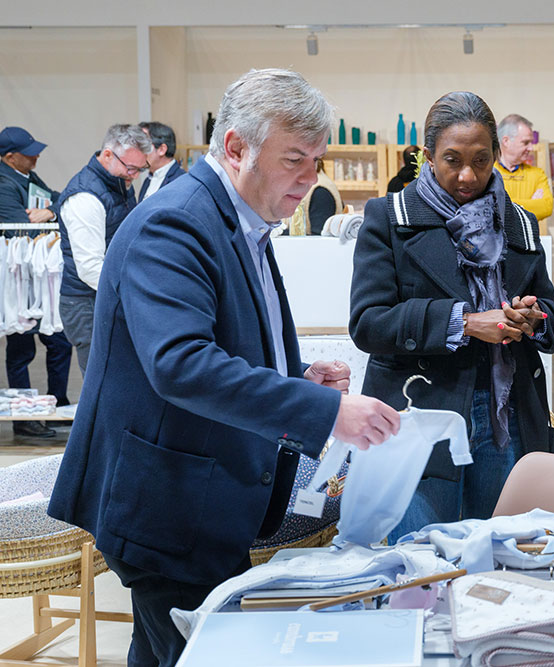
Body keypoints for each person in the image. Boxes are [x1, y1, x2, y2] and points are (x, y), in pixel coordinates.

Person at [48, 68, 400, 666]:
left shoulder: (240, 219)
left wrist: (296, 379)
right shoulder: (177, 221)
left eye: (317, 159)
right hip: (168, 502)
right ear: (236, 147)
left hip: (201, 498)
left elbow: (226, 341)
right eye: (296, 159)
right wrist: (326, 411)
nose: (311, 178)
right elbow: (182, 364)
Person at [350, 91, 554, 544]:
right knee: (419, 564)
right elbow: (369, 322)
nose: (468, 175)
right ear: (428, 157)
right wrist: (465, 322)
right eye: (452, 160)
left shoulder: (518, 225)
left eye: (481, 160)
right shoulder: (389, 219)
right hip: (420, 418)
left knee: (495, 559)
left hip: (505, 417)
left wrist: (535, 320)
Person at [56, 124, 151, 376]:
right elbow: (90, 269)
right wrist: (136, 290)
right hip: (86, 303)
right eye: (130, 168)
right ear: (107, 155)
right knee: (102, 385)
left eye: (141, 169)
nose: (134, 176)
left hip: (110, 294)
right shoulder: (84, 198)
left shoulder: (119, 182)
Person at [0, 126, 72, 437]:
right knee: (21, 348)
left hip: (39, 273)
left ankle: (57, 405)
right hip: (20, 275)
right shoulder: (3, 183)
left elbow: (59, 199)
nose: (36, 155)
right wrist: (47, 215)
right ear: (10, 157)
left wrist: (49, 212)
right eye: (29, 152)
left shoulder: (28, 176)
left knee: (59, 342)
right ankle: (23, 418)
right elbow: (20, 226)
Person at [494, 114, 553, 225]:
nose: (530, 148)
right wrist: (531, 204)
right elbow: (488, 208)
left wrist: (505, 204)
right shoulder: (489, 174)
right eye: (525, 142)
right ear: (506, 141)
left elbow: (547, 207)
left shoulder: (537, 174)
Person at [137, 121, 185, 202]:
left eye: (143, 145)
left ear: (162, 149)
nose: (138, 151)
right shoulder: (148, 179)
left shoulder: (180, 182)